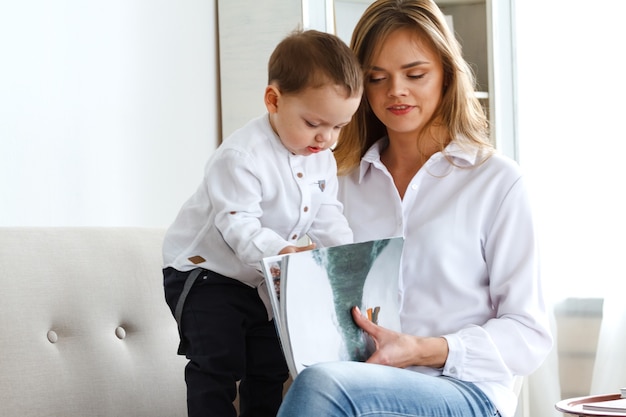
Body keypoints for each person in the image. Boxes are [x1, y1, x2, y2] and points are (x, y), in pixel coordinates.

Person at [276, 1, 553, 417]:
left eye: (415, 74)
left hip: (465, 391)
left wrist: (421, 351)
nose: (396, 91)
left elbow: (528, 334)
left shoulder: (496, 181)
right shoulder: (338, 184)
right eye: (377, 78)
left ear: (446, 74)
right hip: (359, 381)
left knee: (323, 387)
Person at [162, 29, 362, 417]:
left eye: (339, 127)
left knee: (269, 366)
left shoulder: (320, 157)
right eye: (314, 123)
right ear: (273, 99)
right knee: (217, 364)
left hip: (263, 278)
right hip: (205, 273)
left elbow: (328, 218)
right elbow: (240, 227)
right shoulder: (240, 156)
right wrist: (284, 253)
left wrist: (345, 263)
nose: (327, 139)